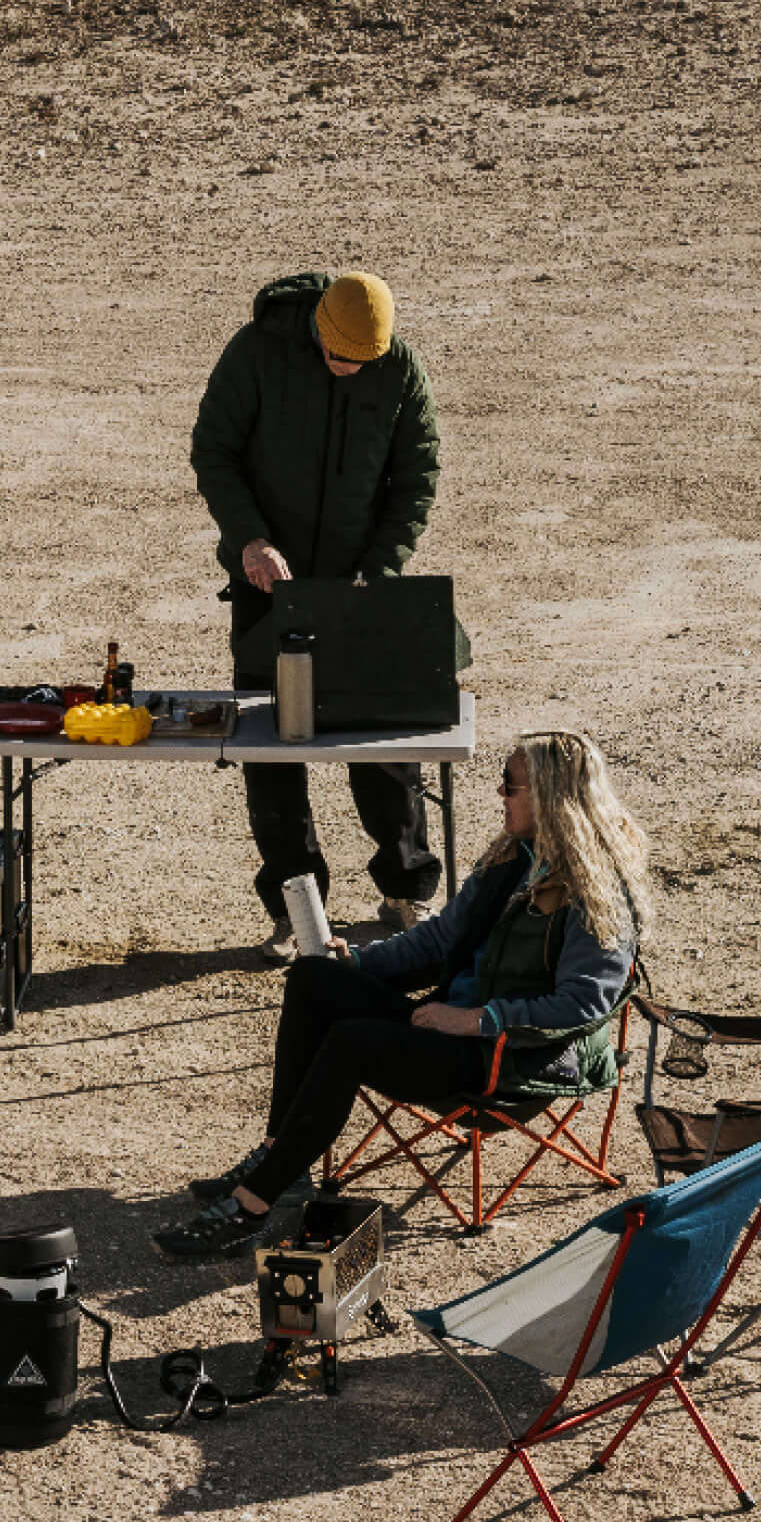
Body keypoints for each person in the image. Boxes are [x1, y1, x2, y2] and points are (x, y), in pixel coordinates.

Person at [152, 731, 647, 1258]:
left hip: (510, 1058)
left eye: (510, 785)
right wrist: (359, 963)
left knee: (352, 1041)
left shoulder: (595, 891)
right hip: (448, 1023)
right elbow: (438, 940)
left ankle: (252, 1207)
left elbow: (583, 1005)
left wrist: (478, 1019)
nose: (500, 794)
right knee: (313, 977)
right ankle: (282, 1158)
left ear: (552, 797)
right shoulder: (513, 857)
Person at [190, 266, 442, 958]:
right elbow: (212, 450)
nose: (346, 372)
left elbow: (416, 477)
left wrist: (376, 574)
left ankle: (405, 888)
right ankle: (294, 902)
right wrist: (250, 539)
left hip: (359, 586)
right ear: (315, 330)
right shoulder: (256, 350)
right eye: (337, 360)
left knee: (381, 741)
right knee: (271, 743)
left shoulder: (398, 370)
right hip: (264, 582)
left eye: (361, 365)